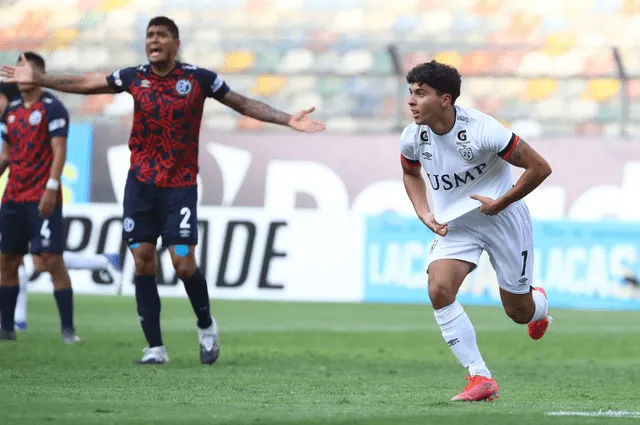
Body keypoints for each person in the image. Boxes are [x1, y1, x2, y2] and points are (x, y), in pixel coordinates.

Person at [0, 16, 326, 365]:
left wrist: (286, 119)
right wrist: (43, 78)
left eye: (161, 35)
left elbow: (243, 104)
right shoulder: (133, 77)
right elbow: (87, 82)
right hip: (140, 186)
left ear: (176, 42)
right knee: (143, 260)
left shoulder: (198, 78)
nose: (153, 40)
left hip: (180, 186)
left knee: (183, 263)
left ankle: (205, 324)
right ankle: (155, 347)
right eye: (149, 35)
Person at [399, 61, 552, 402]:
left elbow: (539, 167)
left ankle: (538, 306)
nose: (411, 101)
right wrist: (424, 211)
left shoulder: (484, 129)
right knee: (439, 288)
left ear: (445, 99)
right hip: (457, 226)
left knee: (518, 311)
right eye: (410, 92)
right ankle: (480, 378)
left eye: (420, 93)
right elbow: (410, 173)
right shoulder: (413, 136)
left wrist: (501, 202)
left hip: (503, 218)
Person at [0, 52, 80, 343]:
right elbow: (6, 156)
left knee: (51, 259)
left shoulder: (53, 108)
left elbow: (59, 150)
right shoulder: (11, 112)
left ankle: (68, 330)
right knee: (8, 260)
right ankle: (6, 328)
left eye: (23, 69)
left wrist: (51, 186)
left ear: (38, 73)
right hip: (13, 197)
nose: (17, 74)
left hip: (41, 196)